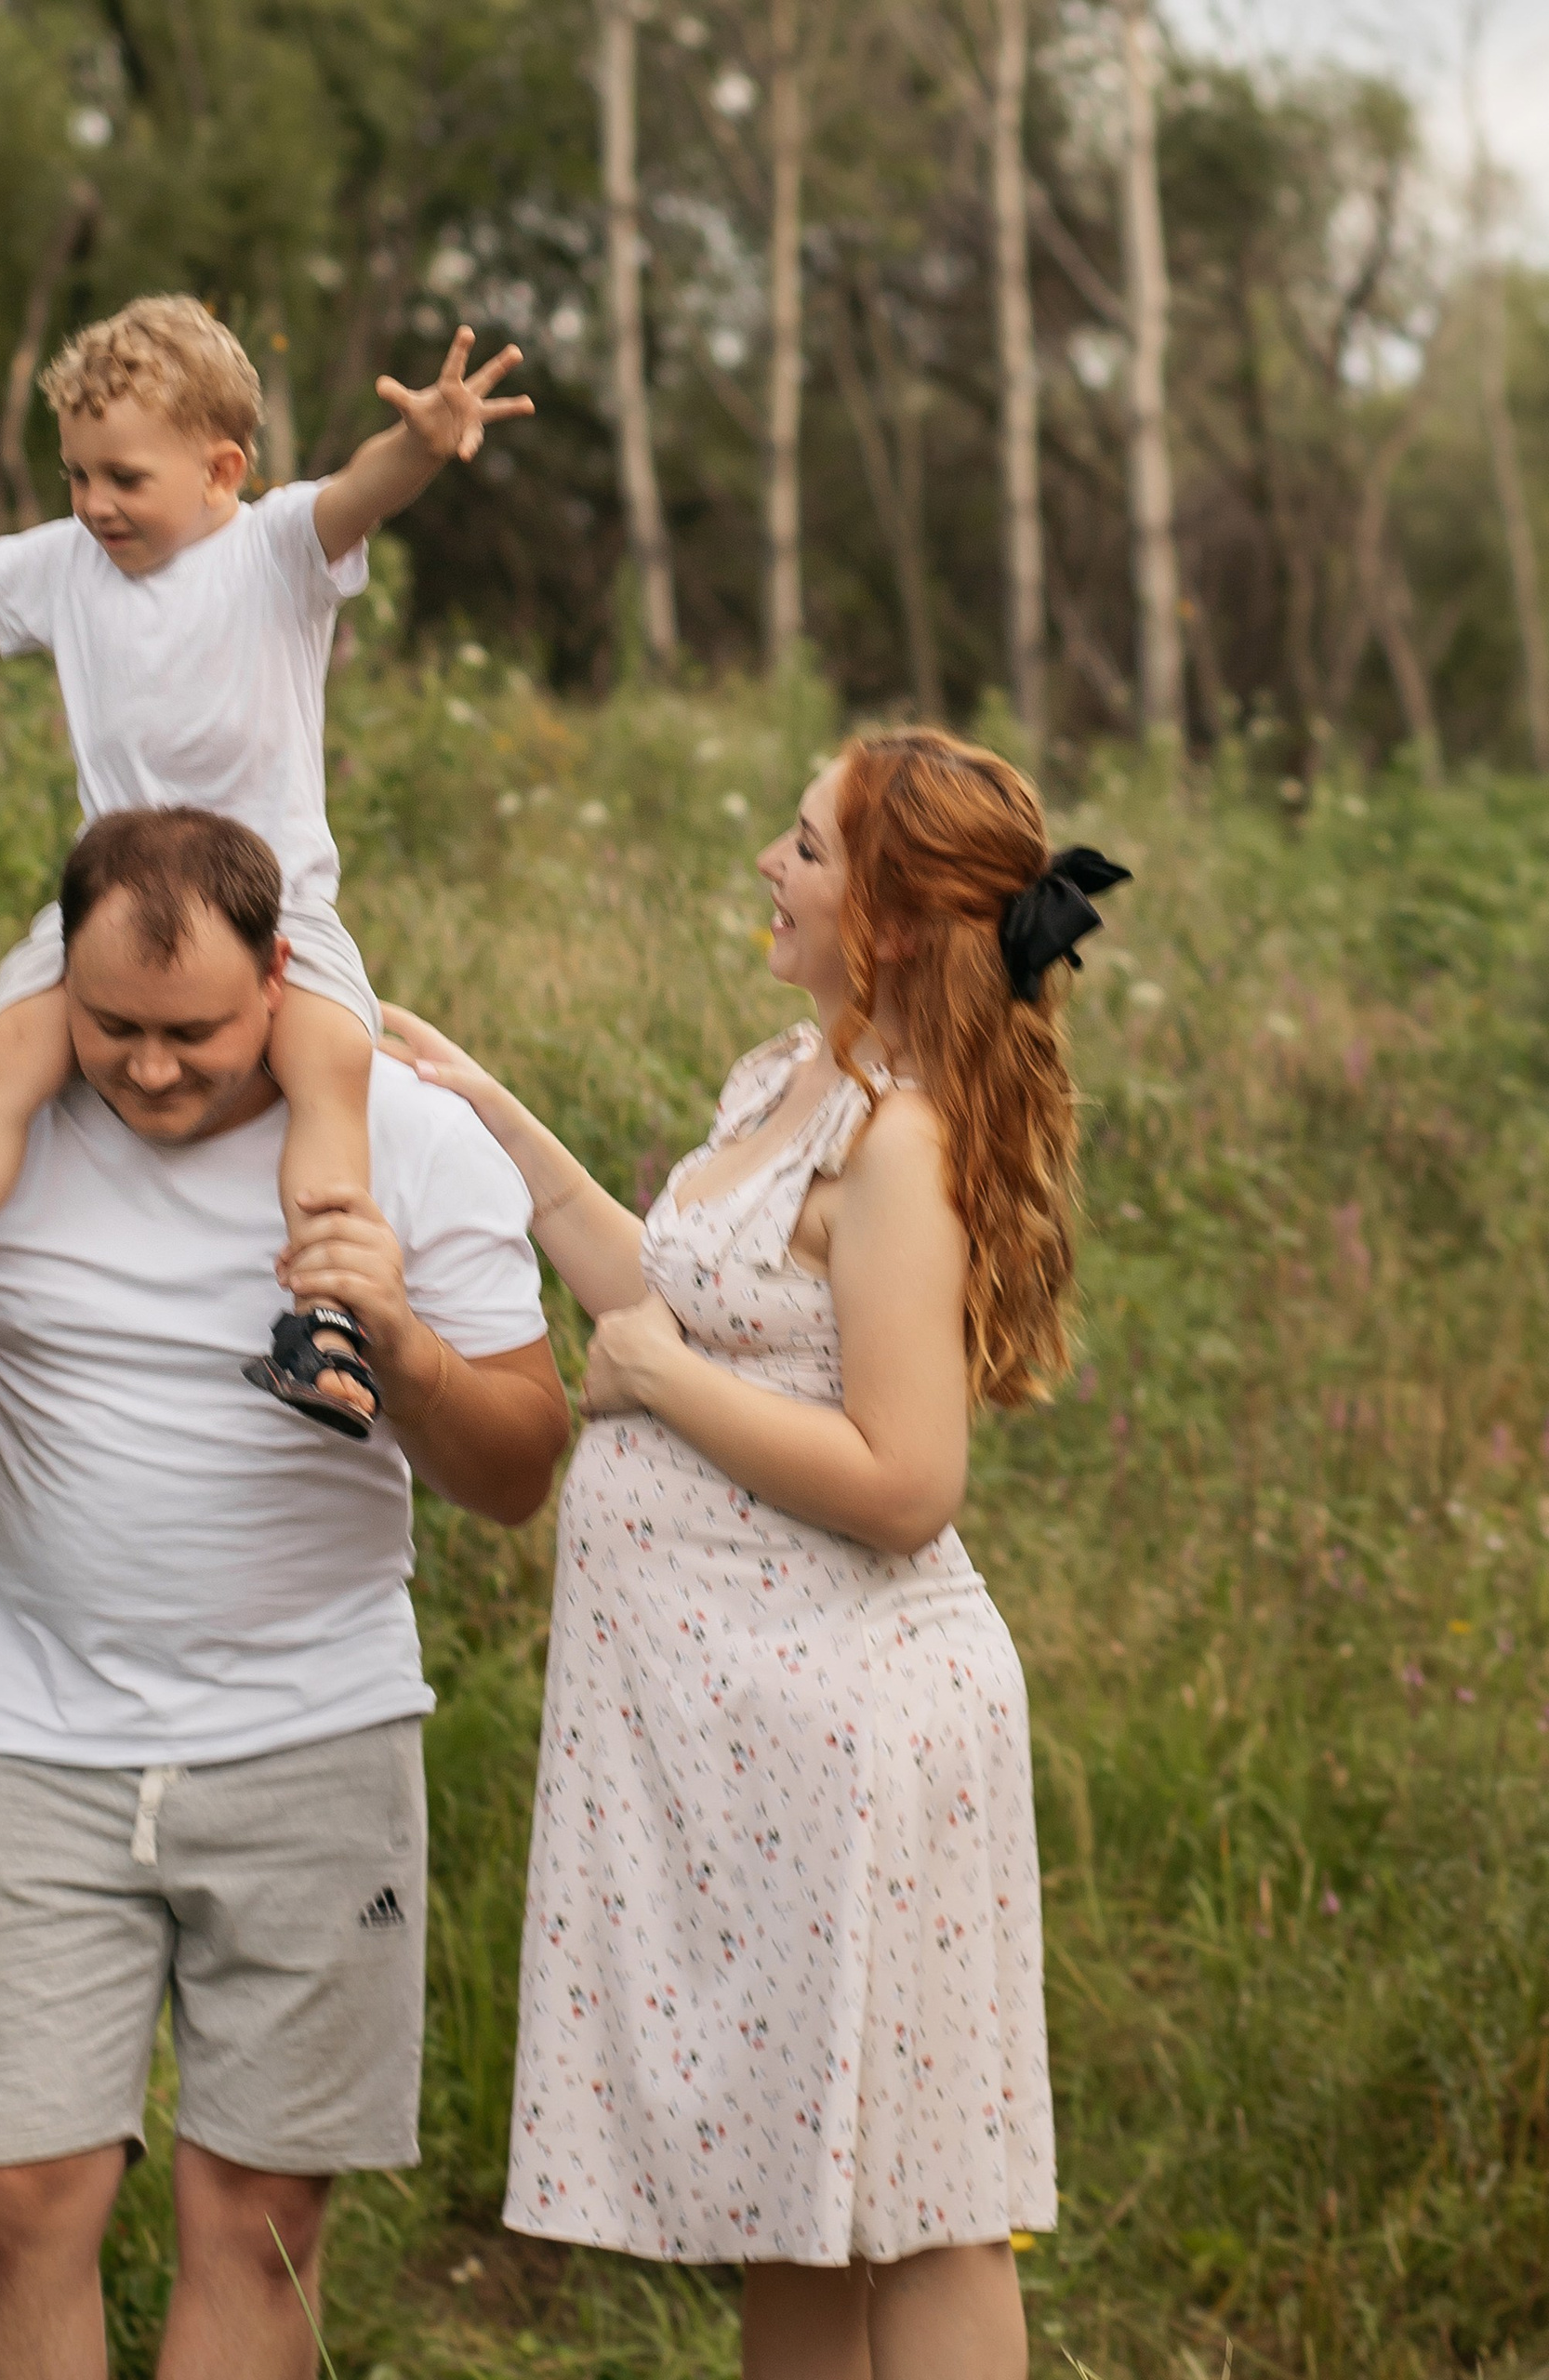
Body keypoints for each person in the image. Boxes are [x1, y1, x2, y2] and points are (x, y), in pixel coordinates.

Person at [0, 807, 570, 2380]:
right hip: (29, 1746)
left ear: (278, 979)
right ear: (56, 979)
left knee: (260, 2221)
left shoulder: (405, 1140)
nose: (146, 1068)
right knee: (15, 2201)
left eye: (191, 1032)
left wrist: (400, 1349)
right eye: (110, 1025)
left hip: (320, 1746)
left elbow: (520, 1470)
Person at [379, 729, 1128, 2380]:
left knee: (924, 2206)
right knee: (791, 2200)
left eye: (804, 848)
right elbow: (660, 1276)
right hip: (756, 1748)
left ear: (895, 916)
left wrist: (662, 1386)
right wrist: (489, 1113)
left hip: (867, 1730)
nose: (767, 870)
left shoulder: (905, 1146)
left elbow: (908, 1476)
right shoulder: (792, 1079)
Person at [0, 294, 532, 1440]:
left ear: (222, 470)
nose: (94, 504)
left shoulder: (275, 550)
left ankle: (322, 1316)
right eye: (74, 476)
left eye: (123, 477)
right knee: (5, 1060)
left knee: (328, 1066)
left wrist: (421, 441)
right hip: (110, 911)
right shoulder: (68, 567)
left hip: (275, 912)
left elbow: (365, 488)